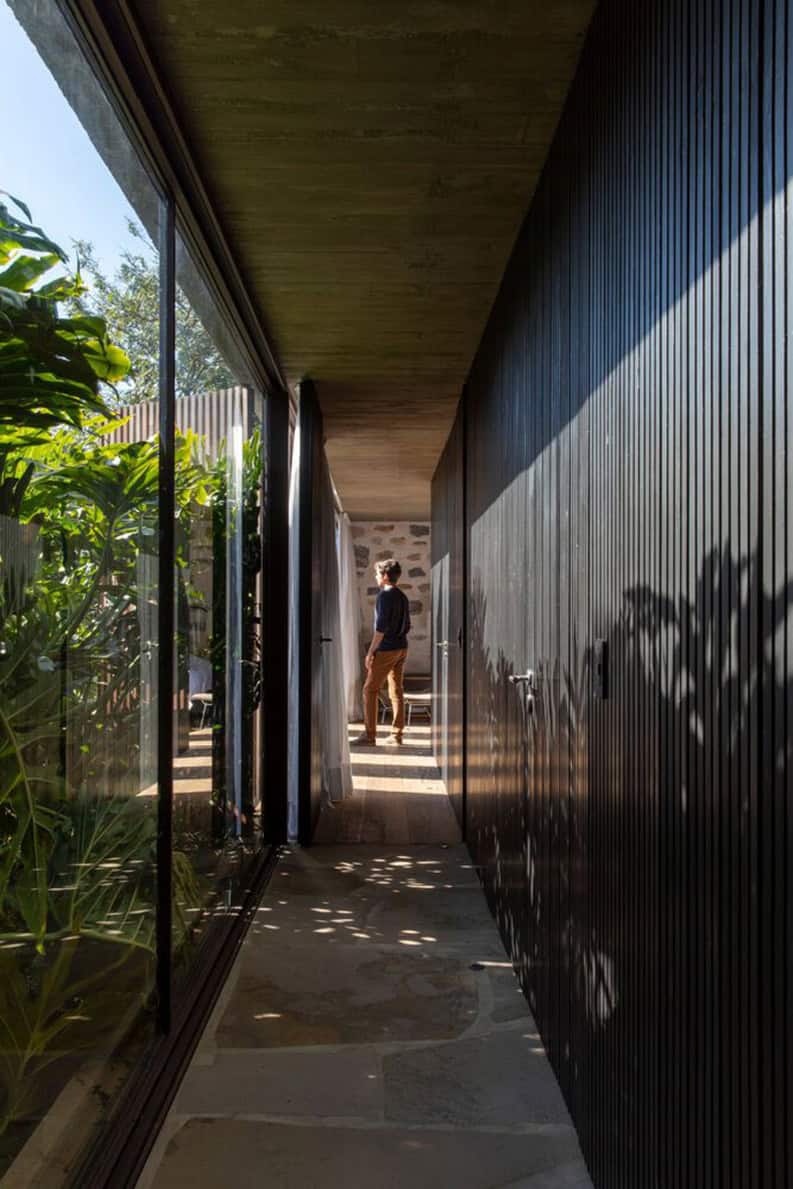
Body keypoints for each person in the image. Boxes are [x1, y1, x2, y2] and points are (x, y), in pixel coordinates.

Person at [350, 557, 410, 747]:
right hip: (402, 647)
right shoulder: (402, 596)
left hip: (387, 649)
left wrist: (370, 652)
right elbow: (407, 624)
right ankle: (397, 734)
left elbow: (380, 629)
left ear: (385, 576)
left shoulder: (384, 595)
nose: (376, 577)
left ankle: (369, 735)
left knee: (369, 689)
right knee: (396, 690)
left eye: (377, 574)